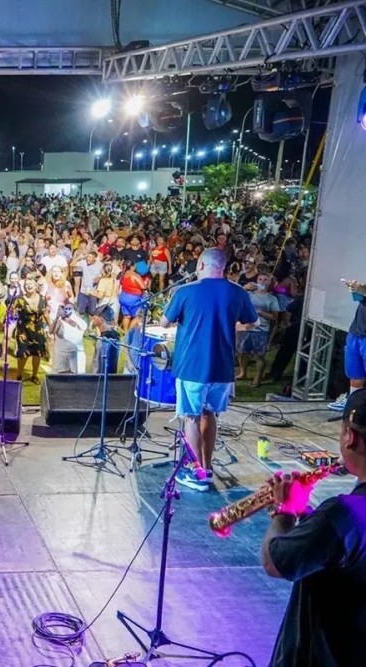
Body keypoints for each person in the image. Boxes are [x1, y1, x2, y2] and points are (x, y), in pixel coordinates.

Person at [261, 387, 366, 666]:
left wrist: (284, 512)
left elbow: (276, 562)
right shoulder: (338, 517)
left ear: (350, 437)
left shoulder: (341, 513)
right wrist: (308, 515)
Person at [160, 248, 257, 492]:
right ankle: (208, 465)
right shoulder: (238, 292)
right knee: (209, 414)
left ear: (201, 265)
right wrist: (230, 326)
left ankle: (196, 473)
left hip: (192, 365)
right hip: (222, 367)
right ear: (223, 267)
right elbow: (251, 322)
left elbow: (164, 322)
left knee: (191, 417)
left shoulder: (186, 291)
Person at [329, 278, 366, 411]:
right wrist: (355, 289)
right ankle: (352, 405)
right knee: (355, 375)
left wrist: (360, 289)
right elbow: (359, 297)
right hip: (356, 333)